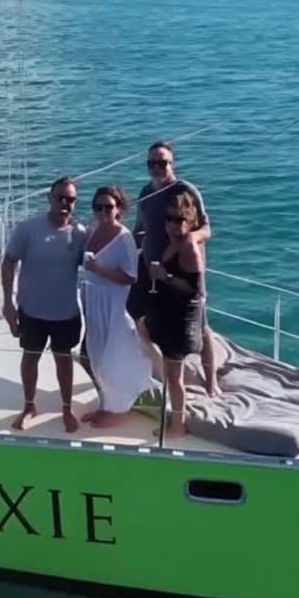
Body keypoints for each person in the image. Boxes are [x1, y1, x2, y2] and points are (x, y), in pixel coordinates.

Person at [127, 140, 219, 395]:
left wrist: (189, 240)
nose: (156, 167)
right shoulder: (146, 192)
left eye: (162, 162)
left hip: (181, 269)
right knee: (141, 318)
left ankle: (211, 382)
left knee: (202, 325)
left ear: (172, 163)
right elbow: (139, 229)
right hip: (150, 269)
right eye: (151, 163)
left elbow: (207, 229)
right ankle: (164, 373)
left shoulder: (186, 191)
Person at [1, 176, 88, 433]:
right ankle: (29, 406)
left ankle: (66, 408)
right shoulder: (28, 229)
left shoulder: (82, 233)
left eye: (70, 199)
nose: (64, 203)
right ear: (49, 198)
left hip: (66, 313)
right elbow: (8, 264)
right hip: (31, 311)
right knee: (30, 358)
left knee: (64, 361)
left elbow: (100, 263)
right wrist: (8, 305)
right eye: (60, 197)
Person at [79, 186, 154, 428]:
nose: (103, 211)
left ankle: (119, 408)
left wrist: (101, 270)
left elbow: (131, 276)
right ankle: (106, 404)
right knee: (96, 354)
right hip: (93, 299)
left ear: (119, 209)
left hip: (114, 302)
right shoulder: (91, 231)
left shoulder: (124, 238)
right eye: (98, 207)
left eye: (108, 207)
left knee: (113, 357)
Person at [146, 191, 206, 436]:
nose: (173, 224)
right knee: (141, 328)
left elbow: (196, 290)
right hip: (167, 314)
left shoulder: (189, 246)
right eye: (169, 219)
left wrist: (166, 276)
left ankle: (178, 426)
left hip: (181, 320)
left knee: (174, 377)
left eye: (180, 219)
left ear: (190, 221)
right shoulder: (174, 241)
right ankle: (175, 403)